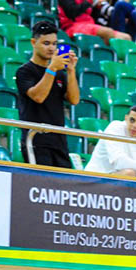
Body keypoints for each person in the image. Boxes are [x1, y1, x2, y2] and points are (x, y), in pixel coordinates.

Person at [16, 21, 79, 168]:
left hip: (59, 141)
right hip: (36, 141)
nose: (51, 48)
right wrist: (51, 68)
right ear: (33, 42)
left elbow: (74, 100)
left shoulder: (59, 73)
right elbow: (38, 97)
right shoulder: (24, 71)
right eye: (46, 43)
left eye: (54, 44)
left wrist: (71, 71)